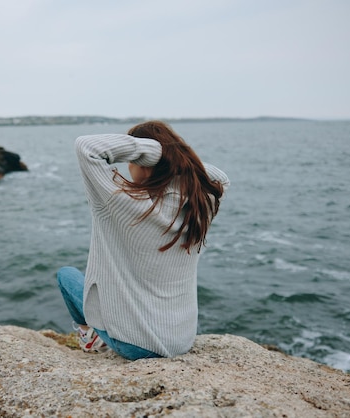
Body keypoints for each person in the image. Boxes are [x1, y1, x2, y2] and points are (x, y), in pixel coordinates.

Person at [57, 120, 230, 360]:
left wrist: (153, 153)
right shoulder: (201, 204)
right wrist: (172, 153)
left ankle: (89, 336)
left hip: (135, 345)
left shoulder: (123, 201)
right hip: (180, 341)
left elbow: (86, 146)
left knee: (66, 275)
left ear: (145, 161)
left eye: (133, 160)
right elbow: (220, 176)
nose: (129, 166)